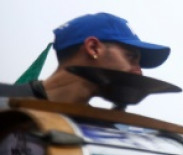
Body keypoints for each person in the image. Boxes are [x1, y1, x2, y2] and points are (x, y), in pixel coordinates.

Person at [0, 12, 170, 103]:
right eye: (131, 57)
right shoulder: (4, 100)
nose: (139, 71)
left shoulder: (103, 135)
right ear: (93, 47)